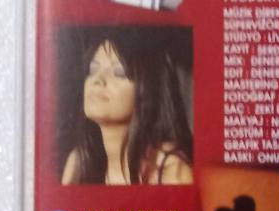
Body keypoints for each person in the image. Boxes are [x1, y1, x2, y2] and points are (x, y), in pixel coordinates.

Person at [61, 30, 193, 185]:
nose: (97, 79)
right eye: (93, 70)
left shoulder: (171, 170)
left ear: (147, 89)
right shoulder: (79, 162)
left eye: (119, 72)